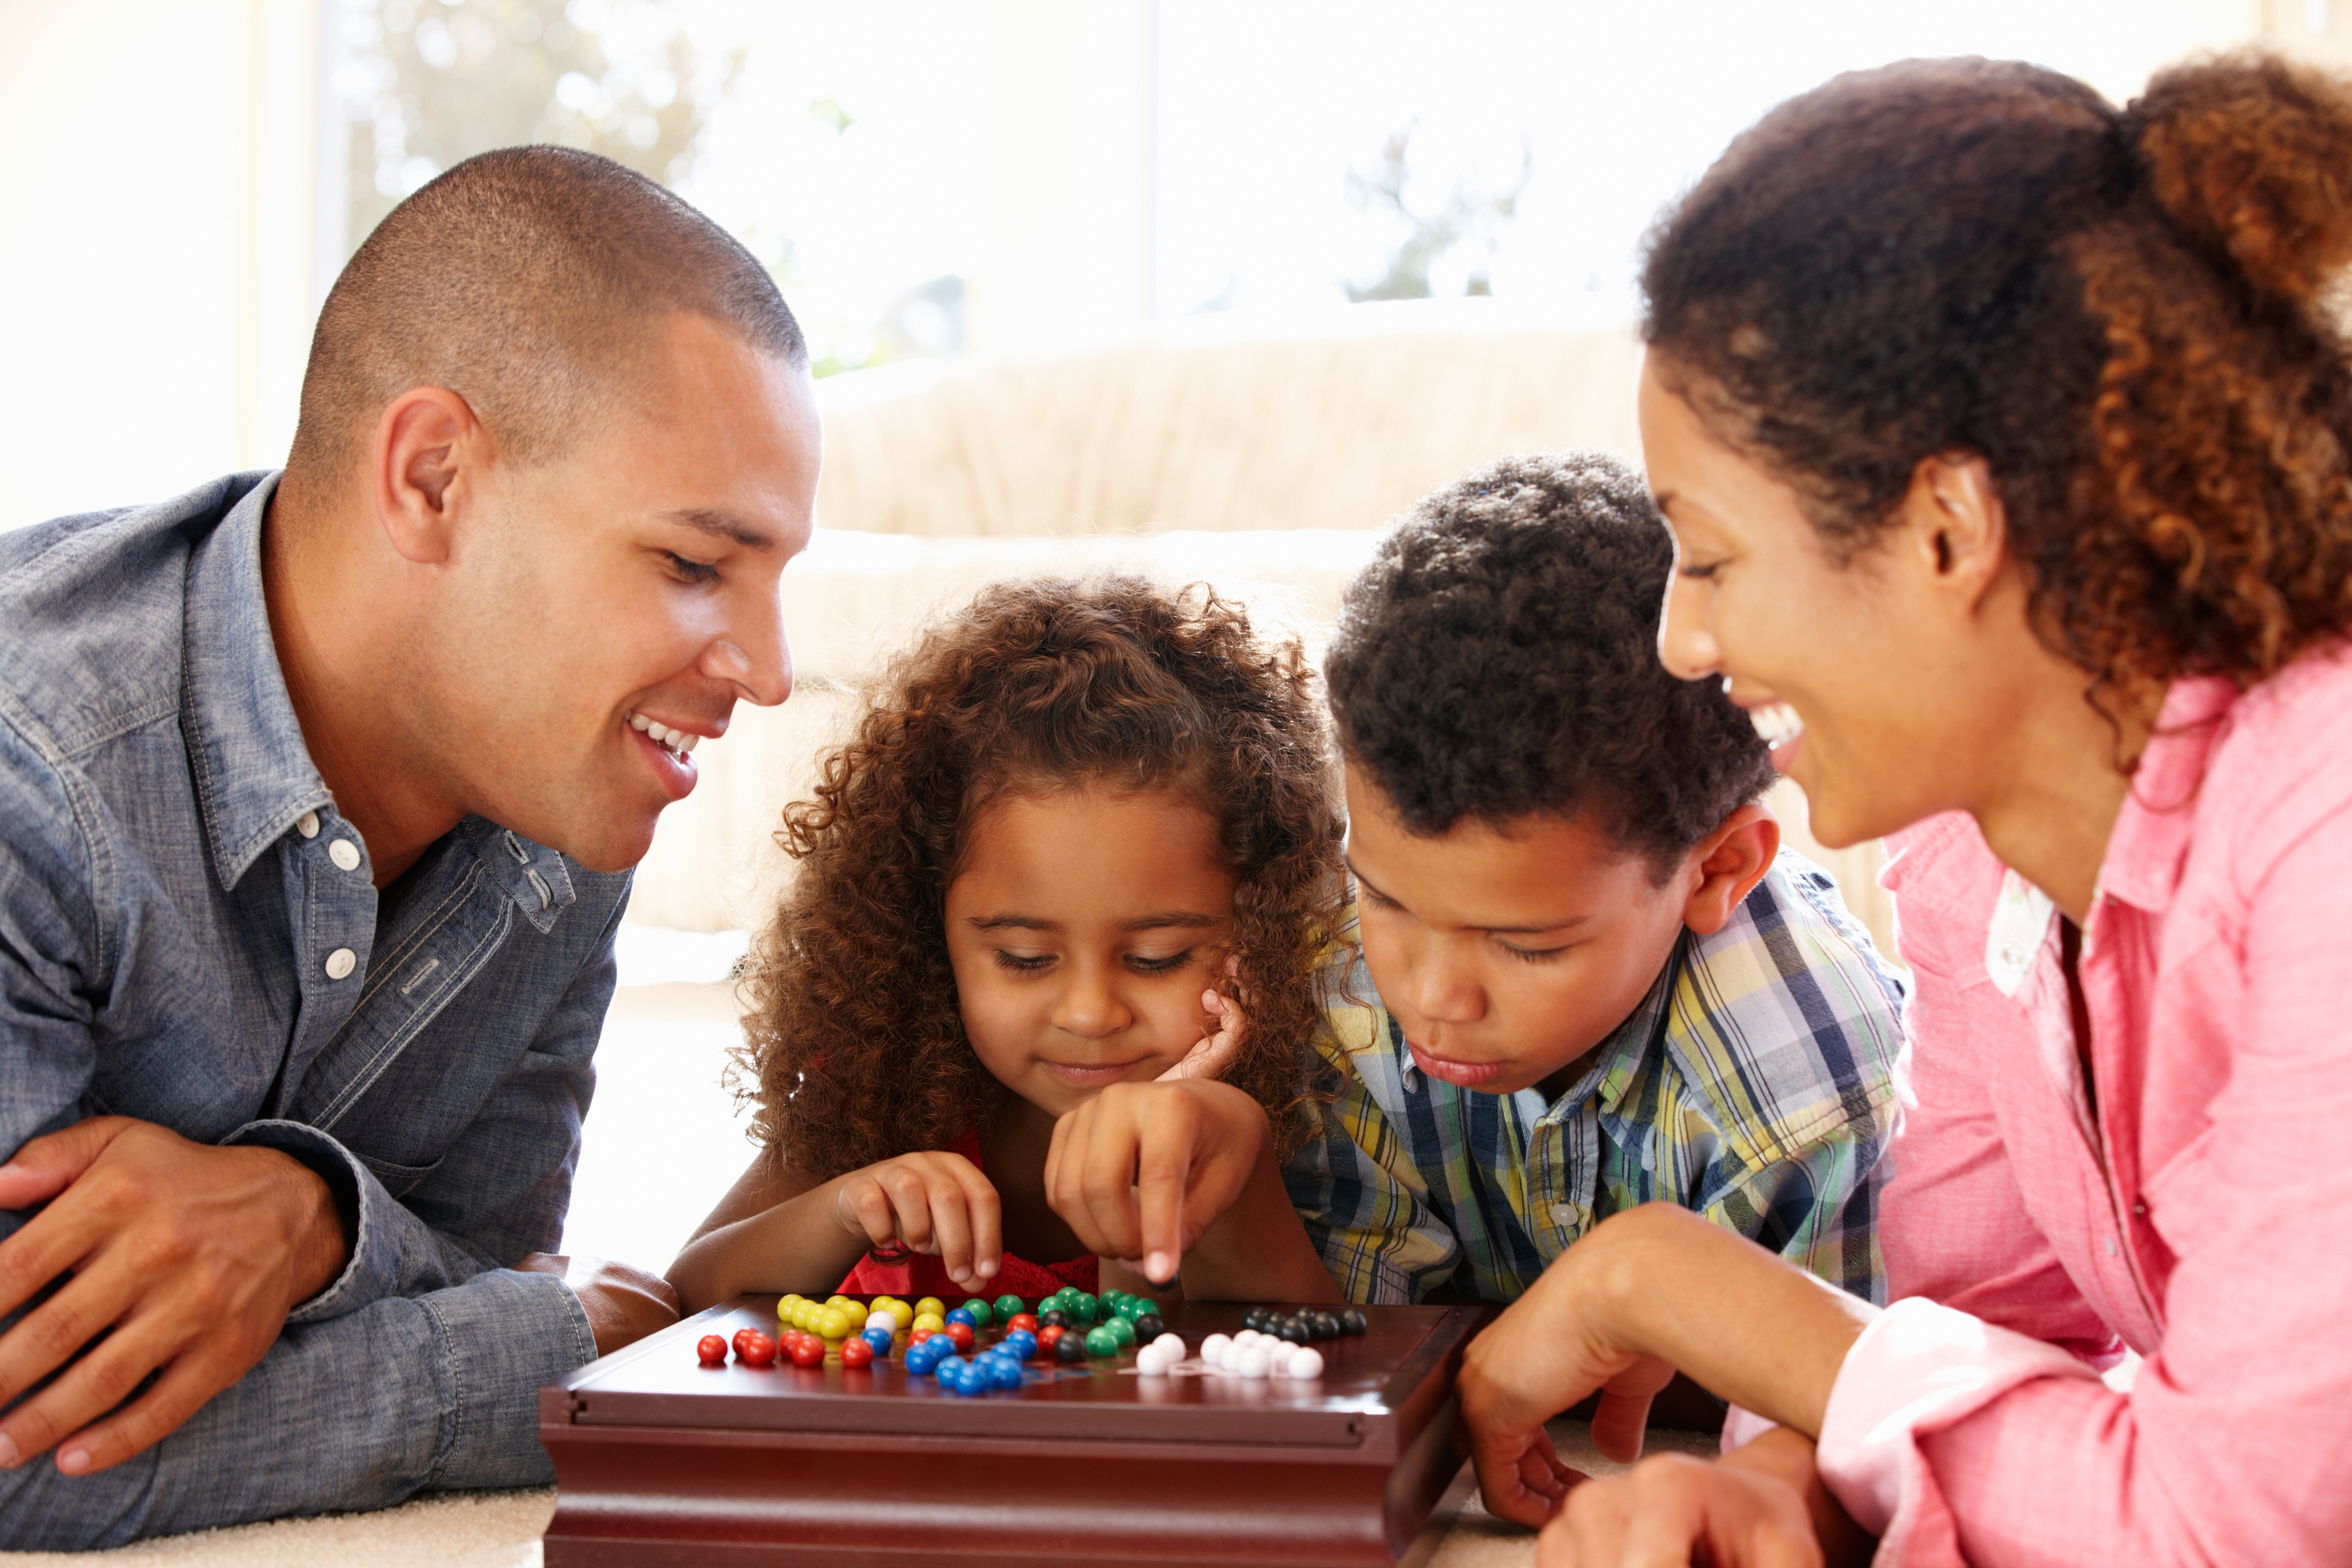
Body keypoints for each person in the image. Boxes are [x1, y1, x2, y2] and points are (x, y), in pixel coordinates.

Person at [1456, 52, 2352, 1568]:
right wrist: (1784, 1487)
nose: (1682, 642)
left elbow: (2239, 1529)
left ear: (1948, 529)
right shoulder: (1978, 860)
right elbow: (1964, 1324)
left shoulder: (2322, 834)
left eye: (1715, 558)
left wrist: (1670, 1285)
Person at [0, 147, 819, 1549]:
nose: (771, 669)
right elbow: (23, 1448)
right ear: (432, 478)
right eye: (694, 564)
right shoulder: (35, 779)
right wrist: (562, 1348)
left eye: (773, 577)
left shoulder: (565, 818)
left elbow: (487, 1254)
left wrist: (308, 1218)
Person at [1285, 452, 1906, 1324]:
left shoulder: (1805, 1089)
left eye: (1526, 943)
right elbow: (1355, 1357)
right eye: (1384, 900)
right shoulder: (1332, 991)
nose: (1431, 995)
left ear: (1716, 871)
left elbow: (1828, 1406)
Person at [667, 577, 1345, 1311]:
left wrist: (1171, 1155)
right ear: (930, 933)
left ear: (1265, 921)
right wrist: (843, 1209)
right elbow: (681, 1297)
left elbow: (1287, 1374)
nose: (1089, 1015)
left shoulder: (1310, 1108)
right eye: (1025, 958)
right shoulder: (880, 1091)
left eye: (1157, 959)